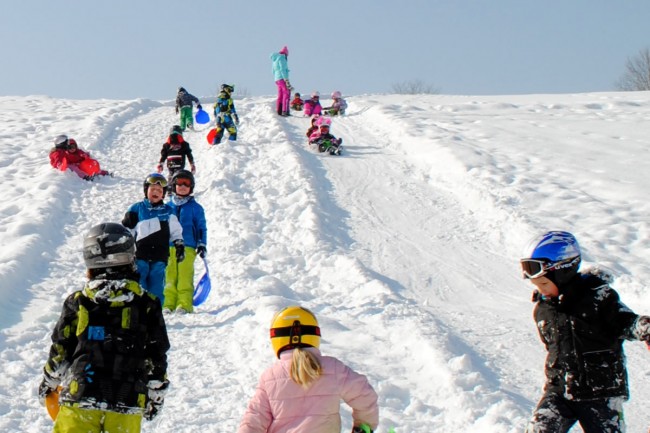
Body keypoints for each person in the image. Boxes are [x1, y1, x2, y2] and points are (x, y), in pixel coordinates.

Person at [38, 222, 170, 433]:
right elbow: (156, 353)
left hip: (80, 396)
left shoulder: (79, 302)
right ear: (131, 256)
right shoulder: (147, 304)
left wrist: (50, 380)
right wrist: (155, 393)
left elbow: (61, 348)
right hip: (127, 402)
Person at [520, 230, 650, 433]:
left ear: (563, 270)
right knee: (539, 429)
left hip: (600, 392)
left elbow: (625, 322)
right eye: (536, 285)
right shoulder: (543, 310)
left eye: (544, 283)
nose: (541, 290)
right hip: (560, 392)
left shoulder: (597, 298)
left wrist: (644, 327)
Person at [237, 306, 379, 433]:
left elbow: (254, 420)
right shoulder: (333, 368)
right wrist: (362, 428)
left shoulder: (270, 377)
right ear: (315, 334)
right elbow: (365, 396)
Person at [122, 173, 184, 305]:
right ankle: (138, 314)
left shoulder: (168, 211)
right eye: (153, 189)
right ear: (146, 190)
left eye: (160, 190)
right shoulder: (137, 208)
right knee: (139, 283)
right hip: (140, 255)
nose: (156, 192)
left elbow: (175, 230)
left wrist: (179, 244)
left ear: (163, 194)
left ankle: (155, 315)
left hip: (159, 255)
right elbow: (128, 231)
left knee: (156, 286)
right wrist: (125, 243)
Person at [163, 170, 207, 314]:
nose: (182, 186)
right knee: (169, 275)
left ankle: (184, 304)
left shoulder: (196, 208)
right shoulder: (166, 207)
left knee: (184, 276)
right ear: (173, 185)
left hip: (188, 245)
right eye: (179, 183)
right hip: (169, 246)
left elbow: (201, 227)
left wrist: (201, 243)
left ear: (191, 187)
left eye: (186, 184)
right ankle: (168, 303)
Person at [270, 46, 291, 116]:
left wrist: (276, 77)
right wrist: (286, 79)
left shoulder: (275, 59)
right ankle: (284, 110)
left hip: (277, 79)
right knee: (286, 93)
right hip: (282, 78)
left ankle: (279, 110)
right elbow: (282, 69)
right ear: (285, 54)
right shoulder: (282, 58)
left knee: (280, 94)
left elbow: (273, 71)